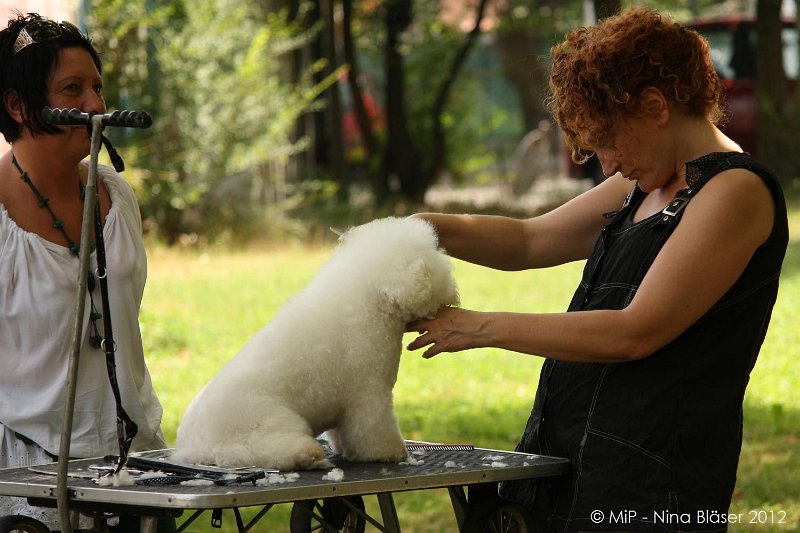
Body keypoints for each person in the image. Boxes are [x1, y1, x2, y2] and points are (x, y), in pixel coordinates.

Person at [406, 6, 788, 532]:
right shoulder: (643, 184)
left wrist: (477, 325)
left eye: (609, 141)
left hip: (653, 494)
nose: (606, 164)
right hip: (569, 467)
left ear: (654, 105)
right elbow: (528, 240)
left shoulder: (735, 191)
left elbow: (636, 331)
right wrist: (417, 228)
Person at [0, 12, 167, 529]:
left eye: (97, 87)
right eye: (73, 90)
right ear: (18, 106)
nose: (96, 106)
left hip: (135, 465)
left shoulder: (117, 196)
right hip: (25, 477)